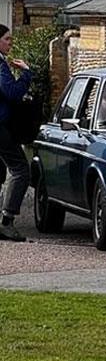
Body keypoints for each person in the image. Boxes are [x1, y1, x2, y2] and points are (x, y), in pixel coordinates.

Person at [0, 24, 32, 241]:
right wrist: (26, 74)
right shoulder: (0, 66)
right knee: (21, 169)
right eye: (7, 39)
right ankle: (7, 221)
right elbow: (11, 92)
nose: (11, 43)